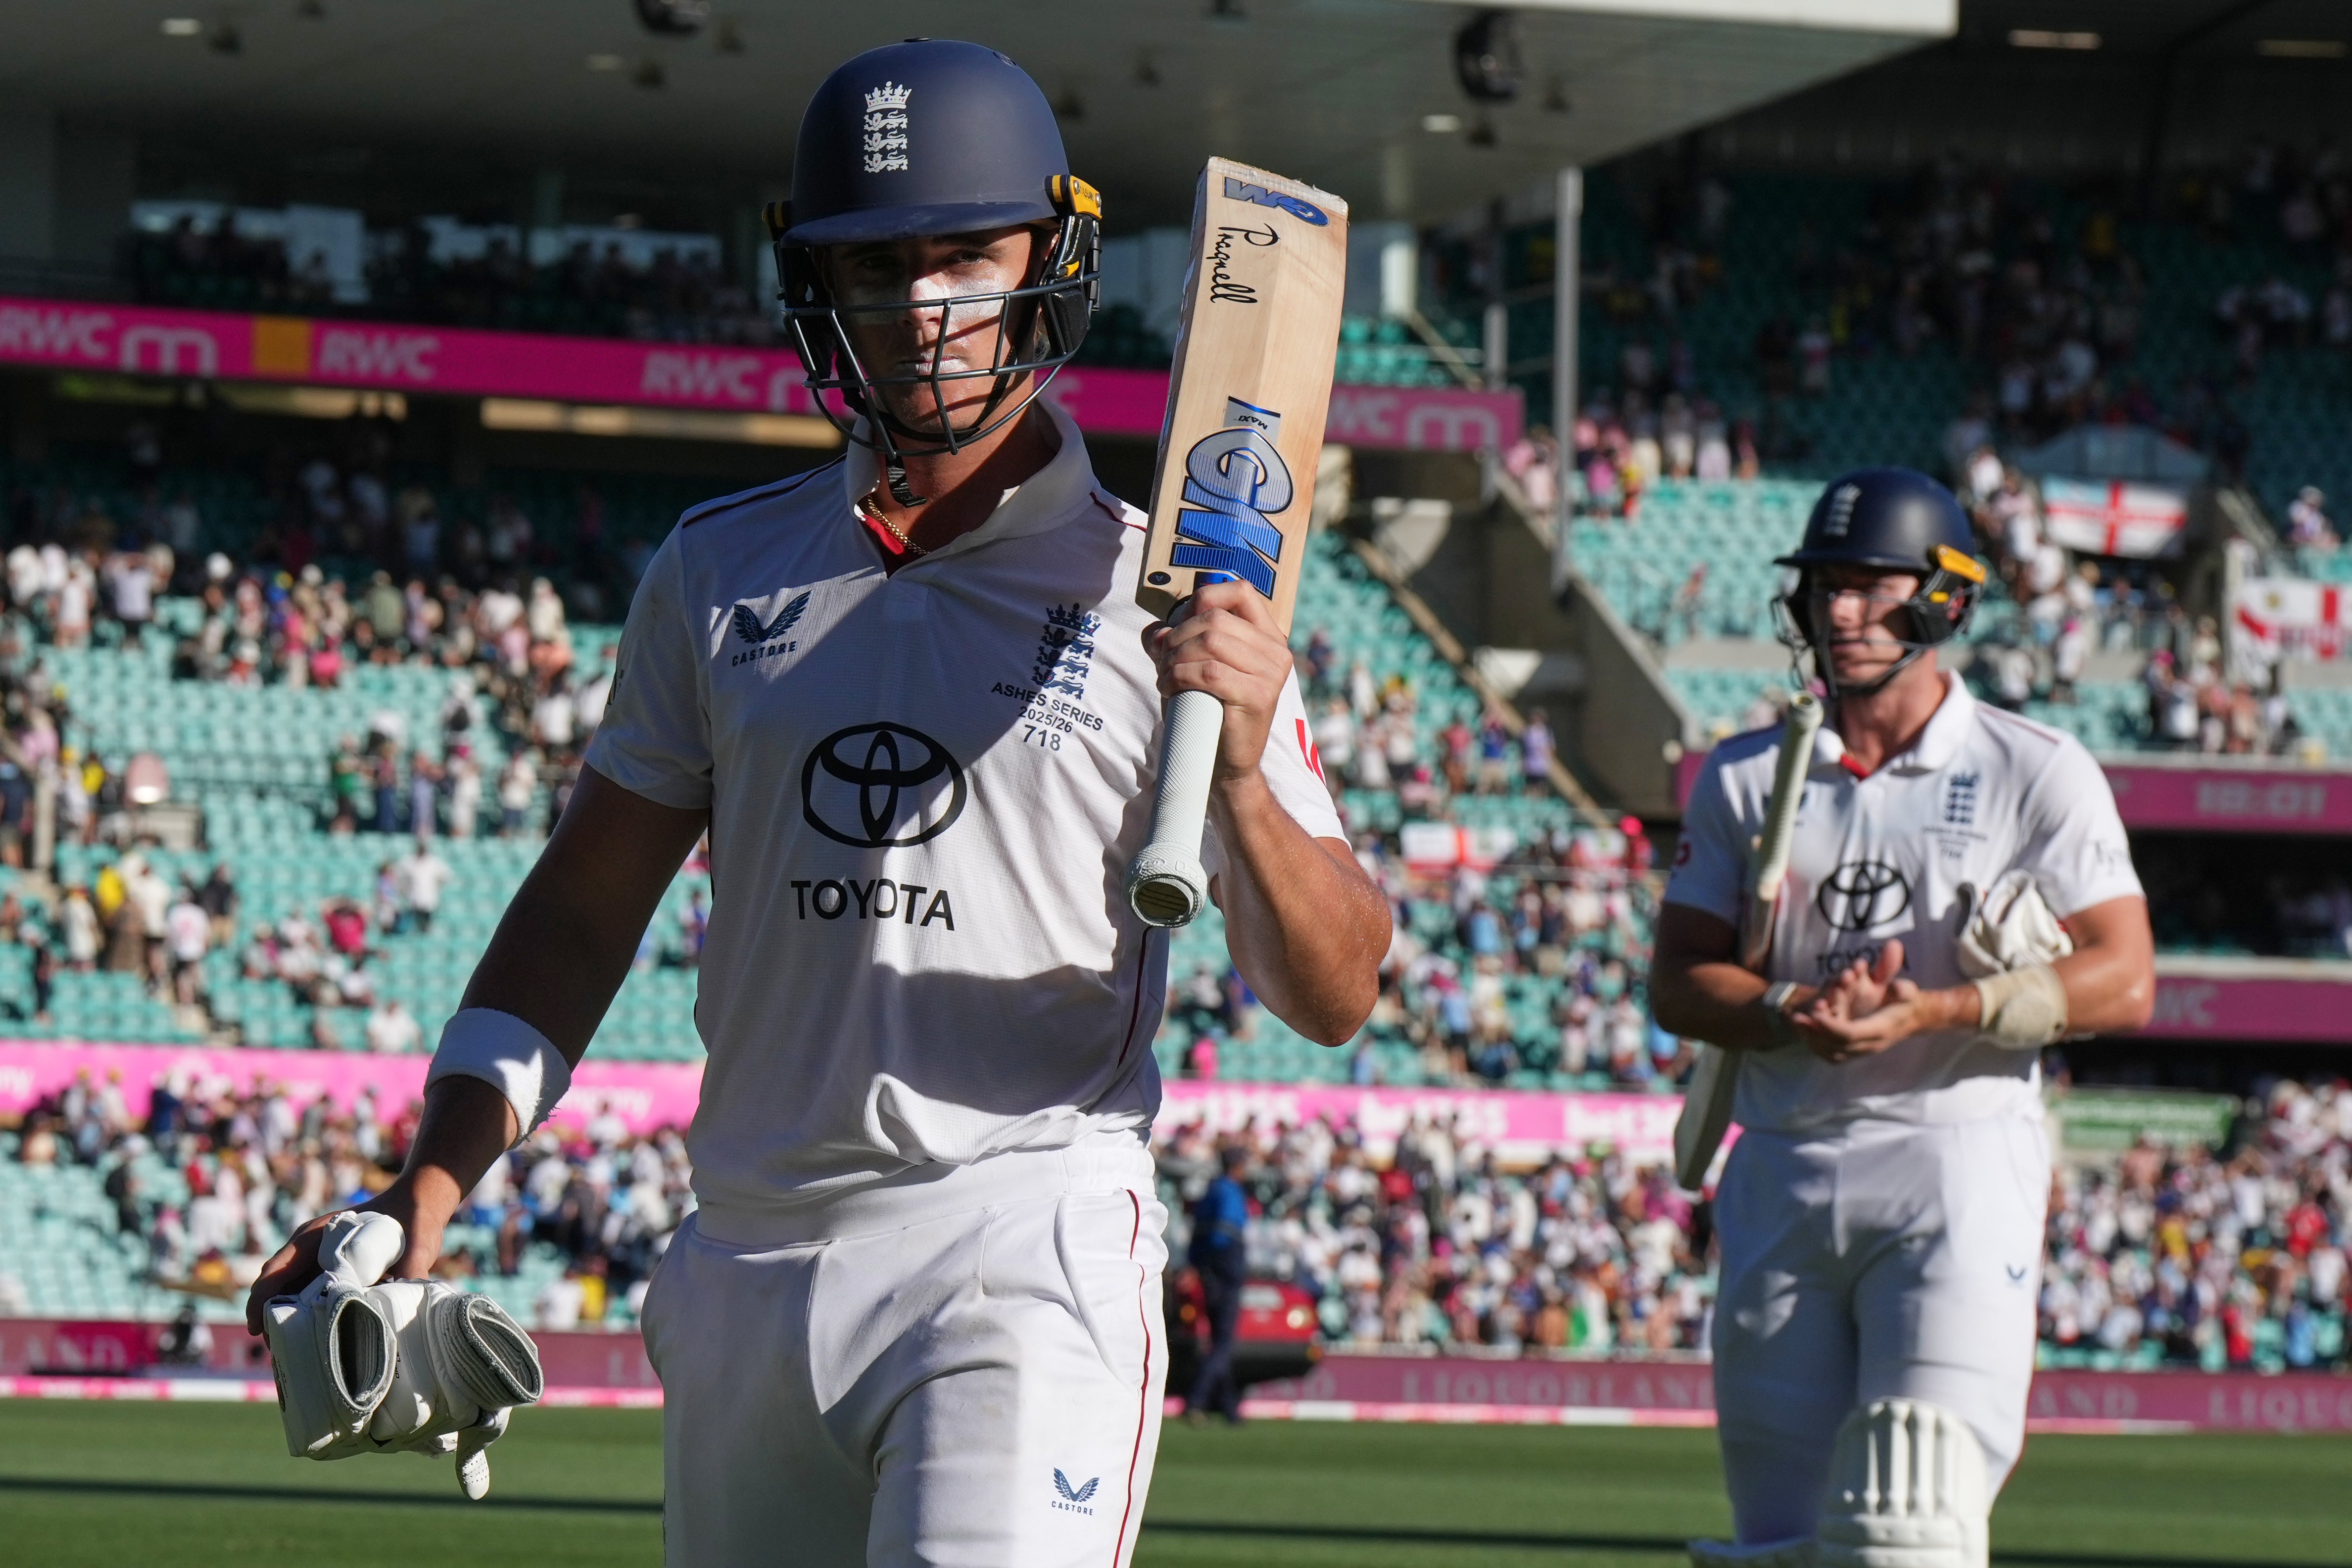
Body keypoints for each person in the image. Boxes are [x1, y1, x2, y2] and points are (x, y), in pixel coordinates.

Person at [248, 40, 1388, 1568]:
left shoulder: (1164, 591)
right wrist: (432, 1179)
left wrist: (1239, 766)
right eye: (879, 266)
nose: (924, 311)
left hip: (1019, 1245)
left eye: (965, 258)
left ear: (1048, 259)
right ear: (816, 287)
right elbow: (584, 911)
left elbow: (1337, 988)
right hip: (746, 1265)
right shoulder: (717, 568)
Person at [1651, 468, 2155, 1568]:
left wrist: (1935, 1008)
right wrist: (1792, 1007)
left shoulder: (2034, 768)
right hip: (1784, 1159)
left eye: (1871, 586)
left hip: (1955, 1161)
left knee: (1911, 1521)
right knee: (1780, 1538)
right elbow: (1677, 983)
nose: (1840, 611)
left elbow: (2125, 977)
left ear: (1945, 598)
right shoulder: (1745, 775)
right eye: (1827, 585)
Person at [1185, 1143, 1252, 1425]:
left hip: (1209, 1271)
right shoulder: (1230, 1193)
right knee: (1224, 1342)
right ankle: (1196, 1402)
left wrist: (1199, 1265)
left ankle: (1230, 1409)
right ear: (1237, 1166)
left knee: (1218, 1340)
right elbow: (1225, 1234)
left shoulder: (1212, 1190)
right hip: (1226, 1269)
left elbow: (1199, 1234)